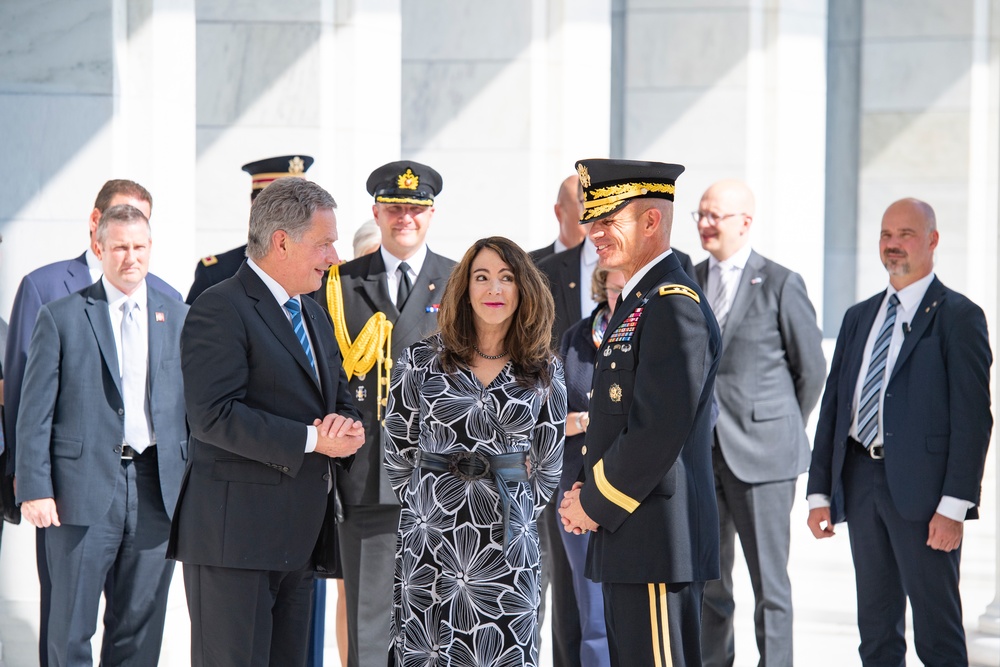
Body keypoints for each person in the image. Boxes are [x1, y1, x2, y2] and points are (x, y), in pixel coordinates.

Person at [167, 177, 365, 666]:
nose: (335, 256)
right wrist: (313, 440)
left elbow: (338, 397)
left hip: (297, 543)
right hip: (234, 543)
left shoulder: (314, 313)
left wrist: (350, 428)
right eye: (324, 243)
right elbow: (213, 415)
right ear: (281, 241)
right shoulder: (220, 307)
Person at [3, 178, 181, 667]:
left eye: (140, 247)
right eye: (120, 248)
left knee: (139, 631)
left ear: (151, 247)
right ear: (98, 247)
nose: (131, 258)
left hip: (154, 491)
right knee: (70, 629)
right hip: (79, 493)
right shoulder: (61, 315)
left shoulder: (177, 314)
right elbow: (33, 409)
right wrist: (35, 486)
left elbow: (184, 410)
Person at [807, 198, 992, 666]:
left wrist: (954, 506)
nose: (893, 245)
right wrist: (818, 494)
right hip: (861, 483)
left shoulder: (958, 317)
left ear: (932, 240)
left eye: (905, 234)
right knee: (875, 630)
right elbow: (834, 407)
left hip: (926, 499)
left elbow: (974, 420)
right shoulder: (858, 317)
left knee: (938, 634)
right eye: (886, 235)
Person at [559, 158, 721, 667]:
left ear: (651, 222)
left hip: (654, 537)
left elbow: (656, 431)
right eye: (592, 220)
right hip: (634, 534)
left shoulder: (671, 303)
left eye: (609, 220)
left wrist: (594, 502)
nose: (594, 233)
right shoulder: (641, 299)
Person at [383, 236, 567, 666]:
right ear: (465, 289)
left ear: (523, 289)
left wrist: (516, 512)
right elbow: (398, 446)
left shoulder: (544, 369)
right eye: (481, 278)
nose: (494, 289)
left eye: (506, 278)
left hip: (506, 541)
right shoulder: (420, 359)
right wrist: (426, 506)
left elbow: (547, 462)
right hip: (430, 537)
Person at [314, 160, 455, 667]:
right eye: (395, 208)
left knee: (438, 621)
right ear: (376, 211)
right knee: (369, 624)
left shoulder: (460, 280)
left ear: (432, 213)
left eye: (416, 209)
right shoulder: (339, 283)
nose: (405, 218)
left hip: (444, 482)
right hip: (369, 477)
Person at [691, 179, 826, 667]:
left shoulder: (781, 283)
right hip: (705, 456)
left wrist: (778, 422)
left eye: (715, 216)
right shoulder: (688, 279)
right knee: (710, 586)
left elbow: (811, 371)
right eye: (700, 215)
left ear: (745, 222)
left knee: (771, 586)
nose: (705, 224)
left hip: (764, 456)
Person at [557, 266, 626, 667]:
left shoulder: (650, 333)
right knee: (594, 615)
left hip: (634, 488)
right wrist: (586, 420)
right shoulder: (577, 338)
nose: (619, 298)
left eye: (627, 289)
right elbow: (546, 414)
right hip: (577, 488)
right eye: (613, 290)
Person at [185, 154, 314, 304]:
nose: (297, 213)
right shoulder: (217, 273)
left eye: (303, 204)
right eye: (284, 205)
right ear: (256, 205)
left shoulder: (325, 274)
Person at [529, 174, 588, 262]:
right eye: (584, 219)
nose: (592, 230)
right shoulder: (529, 265)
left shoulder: (607, 265)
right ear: (559, 212)